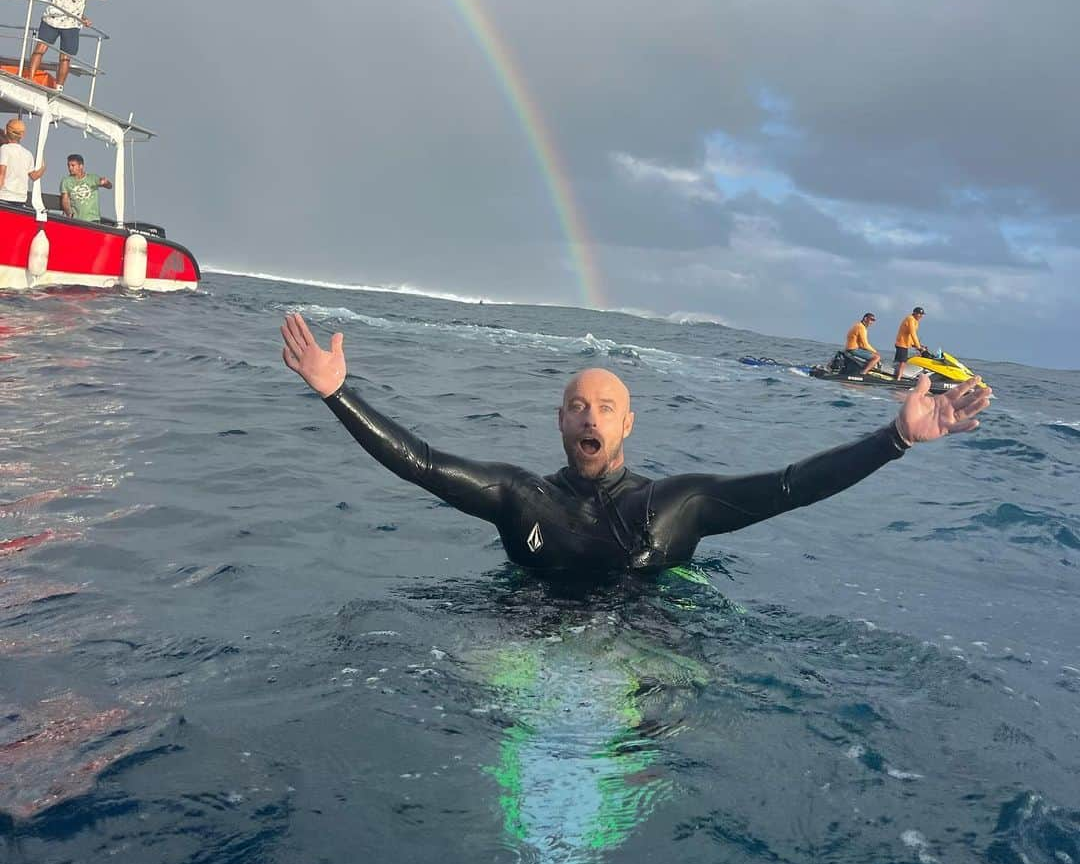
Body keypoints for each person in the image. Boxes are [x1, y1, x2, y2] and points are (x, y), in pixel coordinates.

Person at [279, 313, 991, 576]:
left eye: (607, 407)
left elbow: (788, 486)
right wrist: (337, 393)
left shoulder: (676, 504)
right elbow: (425, 466)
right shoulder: (517, 497)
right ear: (562, 422)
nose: (592, 417)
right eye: (579, 407)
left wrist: (896, 436)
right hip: (531, 642)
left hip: (640, 652)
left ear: (627, 424)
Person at [26, 0, 107, 90]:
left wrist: (83, 17)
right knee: (65, 57)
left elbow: (64, 0)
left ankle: (30, 78)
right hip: (70, 24)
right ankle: (59, 87)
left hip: (51, 17)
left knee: (40, 49)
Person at [0, 119, 46, 206]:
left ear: (6, 131)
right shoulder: (28, 154)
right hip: (21, 199)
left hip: (4, 197)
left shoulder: (4, 149)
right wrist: (43, 166)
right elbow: (34, 176)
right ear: (22, 135)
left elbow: (1, 174)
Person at [59, 154, 112, 222]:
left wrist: (106, 182)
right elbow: (65, 200)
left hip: (92, 219)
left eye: (73, 165)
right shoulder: (66, 181)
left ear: (81, 166)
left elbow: (109, 186)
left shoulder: (92, 178)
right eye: (68, 165)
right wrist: (69, 213)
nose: (70, 168)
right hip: (76, 219)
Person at [893, 306, 930, 381]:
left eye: (922, 314)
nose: (921, 316)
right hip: (902, 343)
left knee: (901, 362)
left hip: (906, 344)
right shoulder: (910, 319)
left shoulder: (915, 321)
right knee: (902, 362)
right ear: (915, 313)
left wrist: (919, 345)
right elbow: (913, 334)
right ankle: (898, 379)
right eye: (920, 314)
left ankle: (897, 376)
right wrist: (918, 347)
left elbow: (910, 335)